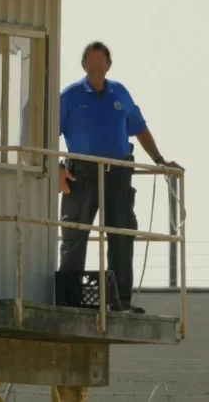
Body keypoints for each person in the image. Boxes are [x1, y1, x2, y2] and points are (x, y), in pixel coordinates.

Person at [57, 41, 181, 314]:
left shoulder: (120, 93)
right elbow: (43, 131)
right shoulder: (70, 96)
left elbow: (139, 127)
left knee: (121, 236)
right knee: (74, 235)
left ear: (109, 66)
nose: (97, 71)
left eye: (101, 66)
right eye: (92, 67)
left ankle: (120, 300)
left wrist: (159, 160)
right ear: (83, 66)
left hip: (118, 175)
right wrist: (56, 169)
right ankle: (68, 300)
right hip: (82, 174)